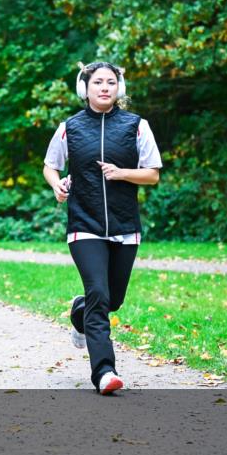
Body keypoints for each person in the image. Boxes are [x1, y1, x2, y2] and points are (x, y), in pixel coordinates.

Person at [42, 61, 162, 395]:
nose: (104, 87)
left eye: (111, 82)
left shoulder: (137, 126)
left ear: (119, 88)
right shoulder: (70, 128)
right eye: (98, 82)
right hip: (85, 224)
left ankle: (80, 313)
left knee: (113, 299)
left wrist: (121, 172)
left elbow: (152, 173)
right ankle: (104, 372)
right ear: (85, 88)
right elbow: (50, 166)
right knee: (99, 292)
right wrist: (57, 186)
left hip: (125, 226)